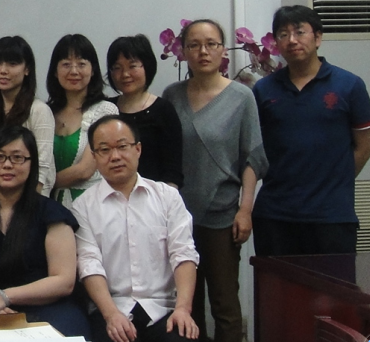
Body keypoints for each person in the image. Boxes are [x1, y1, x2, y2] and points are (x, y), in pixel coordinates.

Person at [162, 19, 267, 342]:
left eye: (211, 44)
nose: (203, 51)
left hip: (222, 214)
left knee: (224, 303)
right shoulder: (172, 95)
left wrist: (245, 210)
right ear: (183, 51)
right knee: (186, 303)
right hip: (178, 216)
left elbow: (253, 157)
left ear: (223, 50)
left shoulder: (241, 97)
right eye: (194, 45)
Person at [254, 5, 370, 256]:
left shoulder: (350, 85)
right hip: (275, 216)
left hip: (332, 217)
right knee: (277, 282)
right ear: (276, 43)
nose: (292, 40)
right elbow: (254, 150)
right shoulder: (263, 90)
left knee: (333, 282)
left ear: (318, 37)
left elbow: (364, 148)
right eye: (283, 34)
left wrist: (332, 182)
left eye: (300, 32)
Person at [73, 115, 199, 342]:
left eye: (122, 147)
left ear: (138, 149)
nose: (115, 157)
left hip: (163, 308)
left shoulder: (167, 197)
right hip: (112, 308)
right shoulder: (83, 207)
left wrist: (183, 308)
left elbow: (183, 254)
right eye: (104, 150)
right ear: (94, 156)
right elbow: (89, 264)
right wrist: (111, 315)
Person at [0, 126, 87, 337]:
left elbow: (64, 281)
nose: (7, 165)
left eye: (17, 158)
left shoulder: (52, 213)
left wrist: (4, 296)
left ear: (32, 163)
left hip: (50, 310)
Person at [46, 34, 118, 208]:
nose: (74, 71)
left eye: (81, 64)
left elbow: (84, 170)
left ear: (93, 70)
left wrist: (39, 184)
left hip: (92, 206)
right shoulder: (46, 113)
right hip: (49, 206)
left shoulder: (105, 111)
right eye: (66, 64)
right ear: (55, 71)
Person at [106, 35, 183, 187]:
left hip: (155, 196)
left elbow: (173, 171)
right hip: (110, 195)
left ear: (147, 66)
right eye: (117, 68)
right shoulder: (106, 109)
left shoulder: (163, 110)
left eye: (132, 66)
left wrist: (165, 199)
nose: (125, 74)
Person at [0, 36, 56, 194]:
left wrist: (27, 203)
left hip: (31, 198)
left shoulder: (39, 111)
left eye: (12, 64)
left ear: (27, 69)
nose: (3, 70)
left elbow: (42, 168)